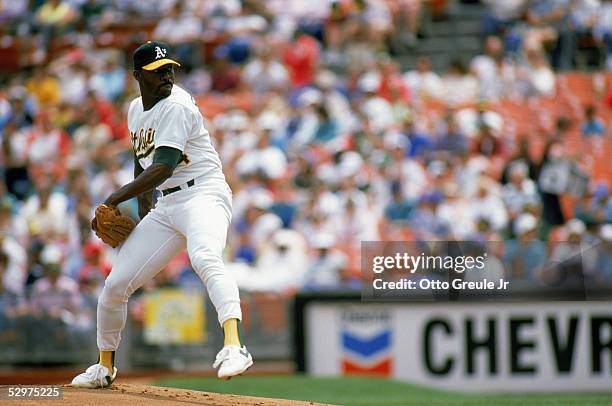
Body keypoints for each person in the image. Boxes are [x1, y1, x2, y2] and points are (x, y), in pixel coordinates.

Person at [71, 41, 252, 388]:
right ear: (138, 76)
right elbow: (142, 159)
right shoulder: (135, 109)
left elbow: (164, 167)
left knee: (205, 257)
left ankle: (235, 345)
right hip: (168, 205)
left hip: (204, 194)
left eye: (169, 68)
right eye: (158, 71)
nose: (167, 75)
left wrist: (113, 197)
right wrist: (141, 209)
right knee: (115, 285)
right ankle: (104, 366)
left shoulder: (177, 105)